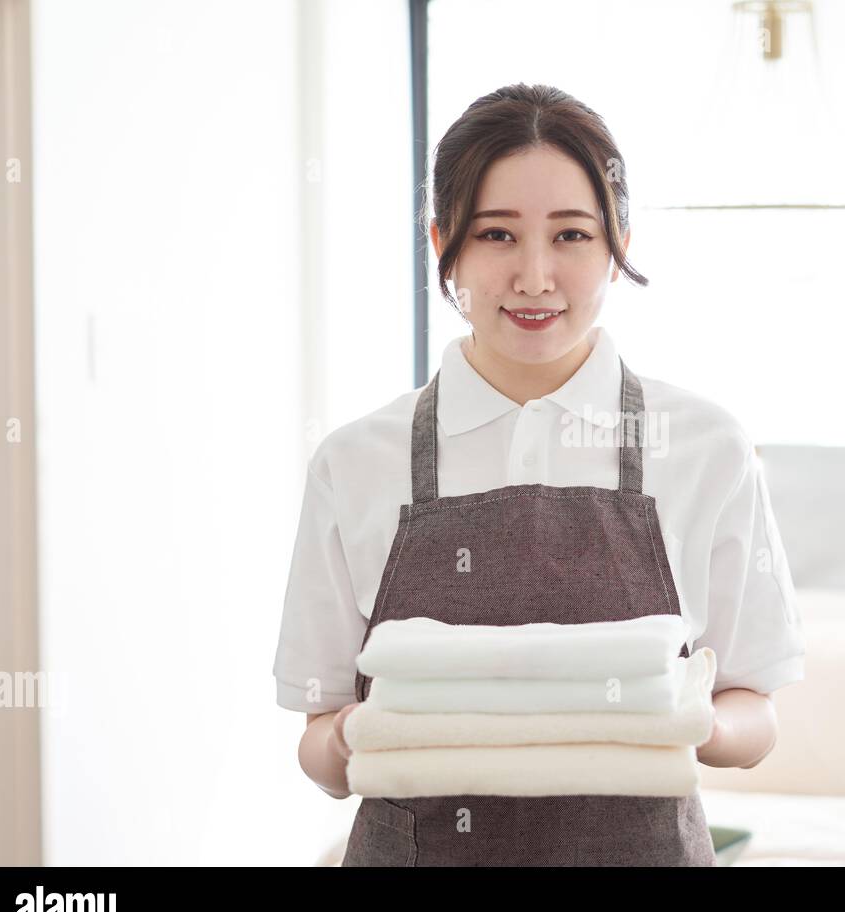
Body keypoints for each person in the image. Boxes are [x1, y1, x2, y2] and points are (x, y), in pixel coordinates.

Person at [273, 83, 804, 866]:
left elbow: (755, 710)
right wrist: (361, 733)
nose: (534, 276)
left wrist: (696, 724)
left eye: (571, 236)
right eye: (495, 235)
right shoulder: (356, 461)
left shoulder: (705, 447)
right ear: (441, 242)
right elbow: (318, 740)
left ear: (616, 244)